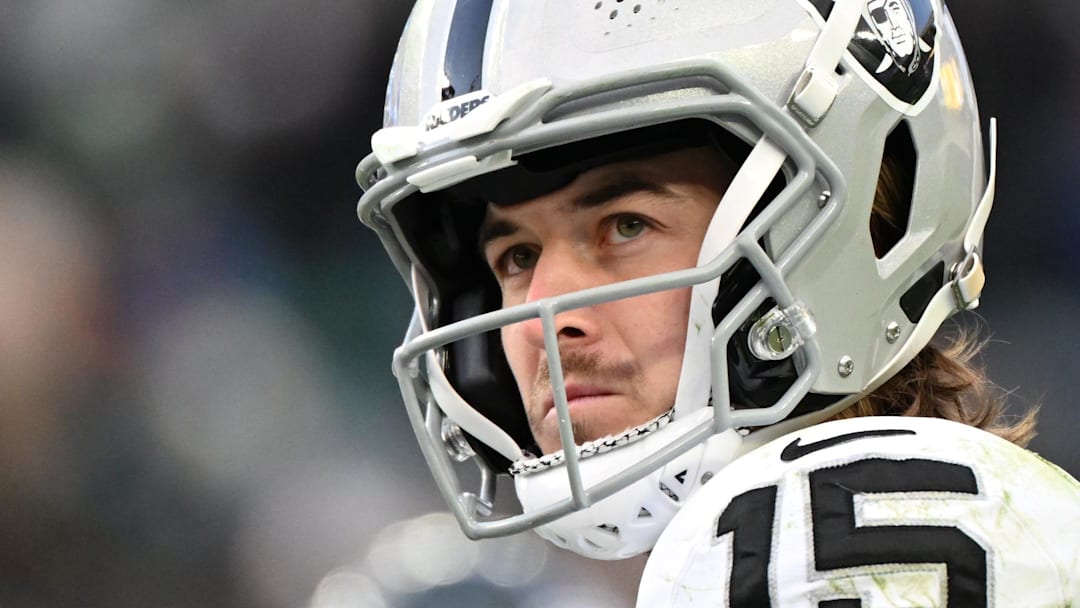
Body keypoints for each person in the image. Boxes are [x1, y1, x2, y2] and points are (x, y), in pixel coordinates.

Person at [355, 0, 1080, 604]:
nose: (545, 315)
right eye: (516, 257)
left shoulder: (800, 542)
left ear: (854, 210)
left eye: (625, 226)